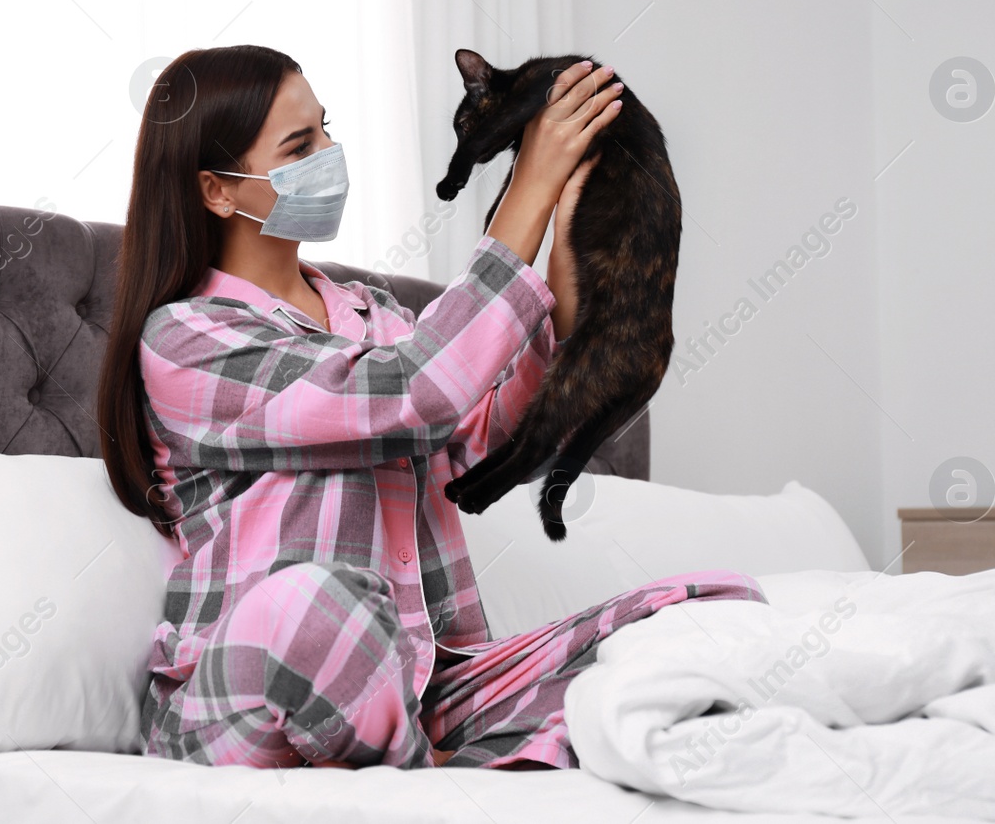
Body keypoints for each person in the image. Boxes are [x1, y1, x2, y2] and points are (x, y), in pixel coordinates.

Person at [96, 44, 765, 772]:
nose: (330, 152)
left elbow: (470, 443)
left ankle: (441, 755)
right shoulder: (187, 338)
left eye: (326, 129)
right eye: (300, 144)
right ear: (217, 190)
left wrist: (565, 301)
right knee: (314, 606)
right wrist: (525, 195)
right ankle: (438, 777)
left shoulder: (371, 316)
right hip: (248, 692)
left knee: (706, 610)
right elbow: (414, 392)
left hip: (428, 688)